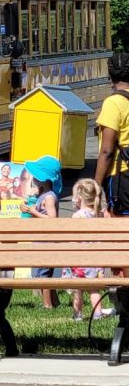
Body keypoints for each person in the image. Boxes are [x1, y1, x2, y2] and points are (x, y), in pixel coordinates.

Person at [62, 178, 114, 321]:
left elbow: (72, 240)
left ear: (79, 197)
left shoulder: (77, 216)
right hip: (94, 261)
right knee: (93, 289)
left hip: (79, 260)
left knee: (77, 289)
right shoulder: (98, 214)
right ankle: (97, 313)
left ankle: (77, 315)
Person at [20, 155, 61, 309]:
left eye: (36, 177)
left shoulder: (49, 197)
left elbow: (52, 219)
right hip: (40, 240)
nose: (33, 179)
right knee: (42, 272)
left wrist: (34, 212)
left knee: (44, 274)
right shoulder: (42, 195)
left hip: (47, 241)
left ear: (44, 179)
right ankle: (54, 302)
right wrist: (27, 209)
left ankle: (47, 305)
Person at [95, 52, 129, 216]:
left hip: (121, 175)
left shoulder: (113, 103)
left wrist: (96, 186)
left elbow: (107, 151)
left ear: (110, 75)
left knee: (121, 228)